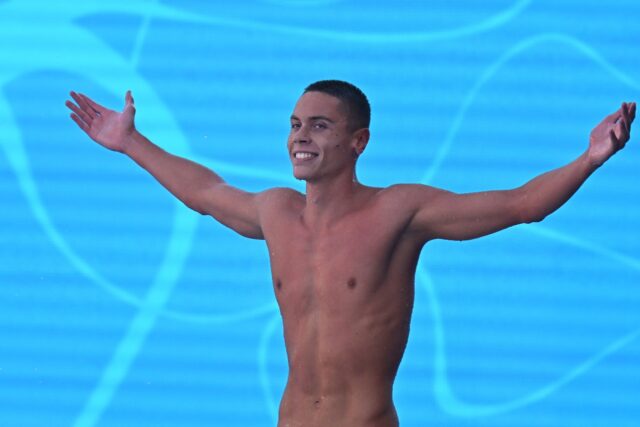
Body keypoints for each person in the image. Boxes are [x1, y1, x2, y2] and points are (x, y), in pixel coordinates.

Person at [66, 80, 635, 427]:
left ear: (359, 141)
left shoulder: (399, 212)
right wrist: (131, 142)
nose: (300, 137)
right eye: (293, 125)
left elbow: (520, 205)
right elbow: (206, 193)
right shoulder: (275, 212)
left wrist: (588, 158)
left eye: (319, 125)